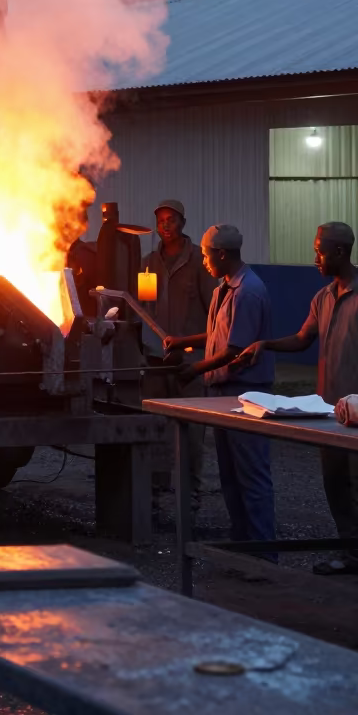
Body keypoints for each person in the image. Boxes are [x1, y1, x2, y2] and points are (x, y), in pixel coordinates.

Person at [233, 221, 358, 575]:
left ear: (339, 252)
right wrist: (266, 344)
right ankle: (350, 554)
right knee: (336, 484)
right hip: (330, 413)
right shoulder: (322, 298)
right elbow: (303, 338)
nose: (314, 257)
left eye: (319, 250)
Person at [163, 224, 276, 554]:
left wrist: (193, 370)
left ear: (222, 254)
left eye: (205, 255)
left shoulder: (249, 292)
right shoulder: (222, 290)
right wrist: (181, 341)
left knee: (251, 476)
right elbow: (216, 337)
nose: (204, 262)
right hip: (224, 393)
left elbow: (233, 351)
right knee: (230, 476)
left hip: (246, 394)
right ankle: (242, 543)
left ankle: (264, 555)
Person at [143, 199, 216, 508]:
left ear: (183, 222)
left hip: (190, 362)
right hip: (157, 362)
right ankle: (157, 492)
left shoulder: (200, 263)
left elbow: (215, 312)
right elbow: (144, 307)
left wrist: (200, 349)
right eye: (160, 220)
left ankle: (190, 493)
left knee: (191, 432)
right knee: (157, 427)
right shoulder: (148, 263)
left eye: (171, 219)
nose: (165, 225)